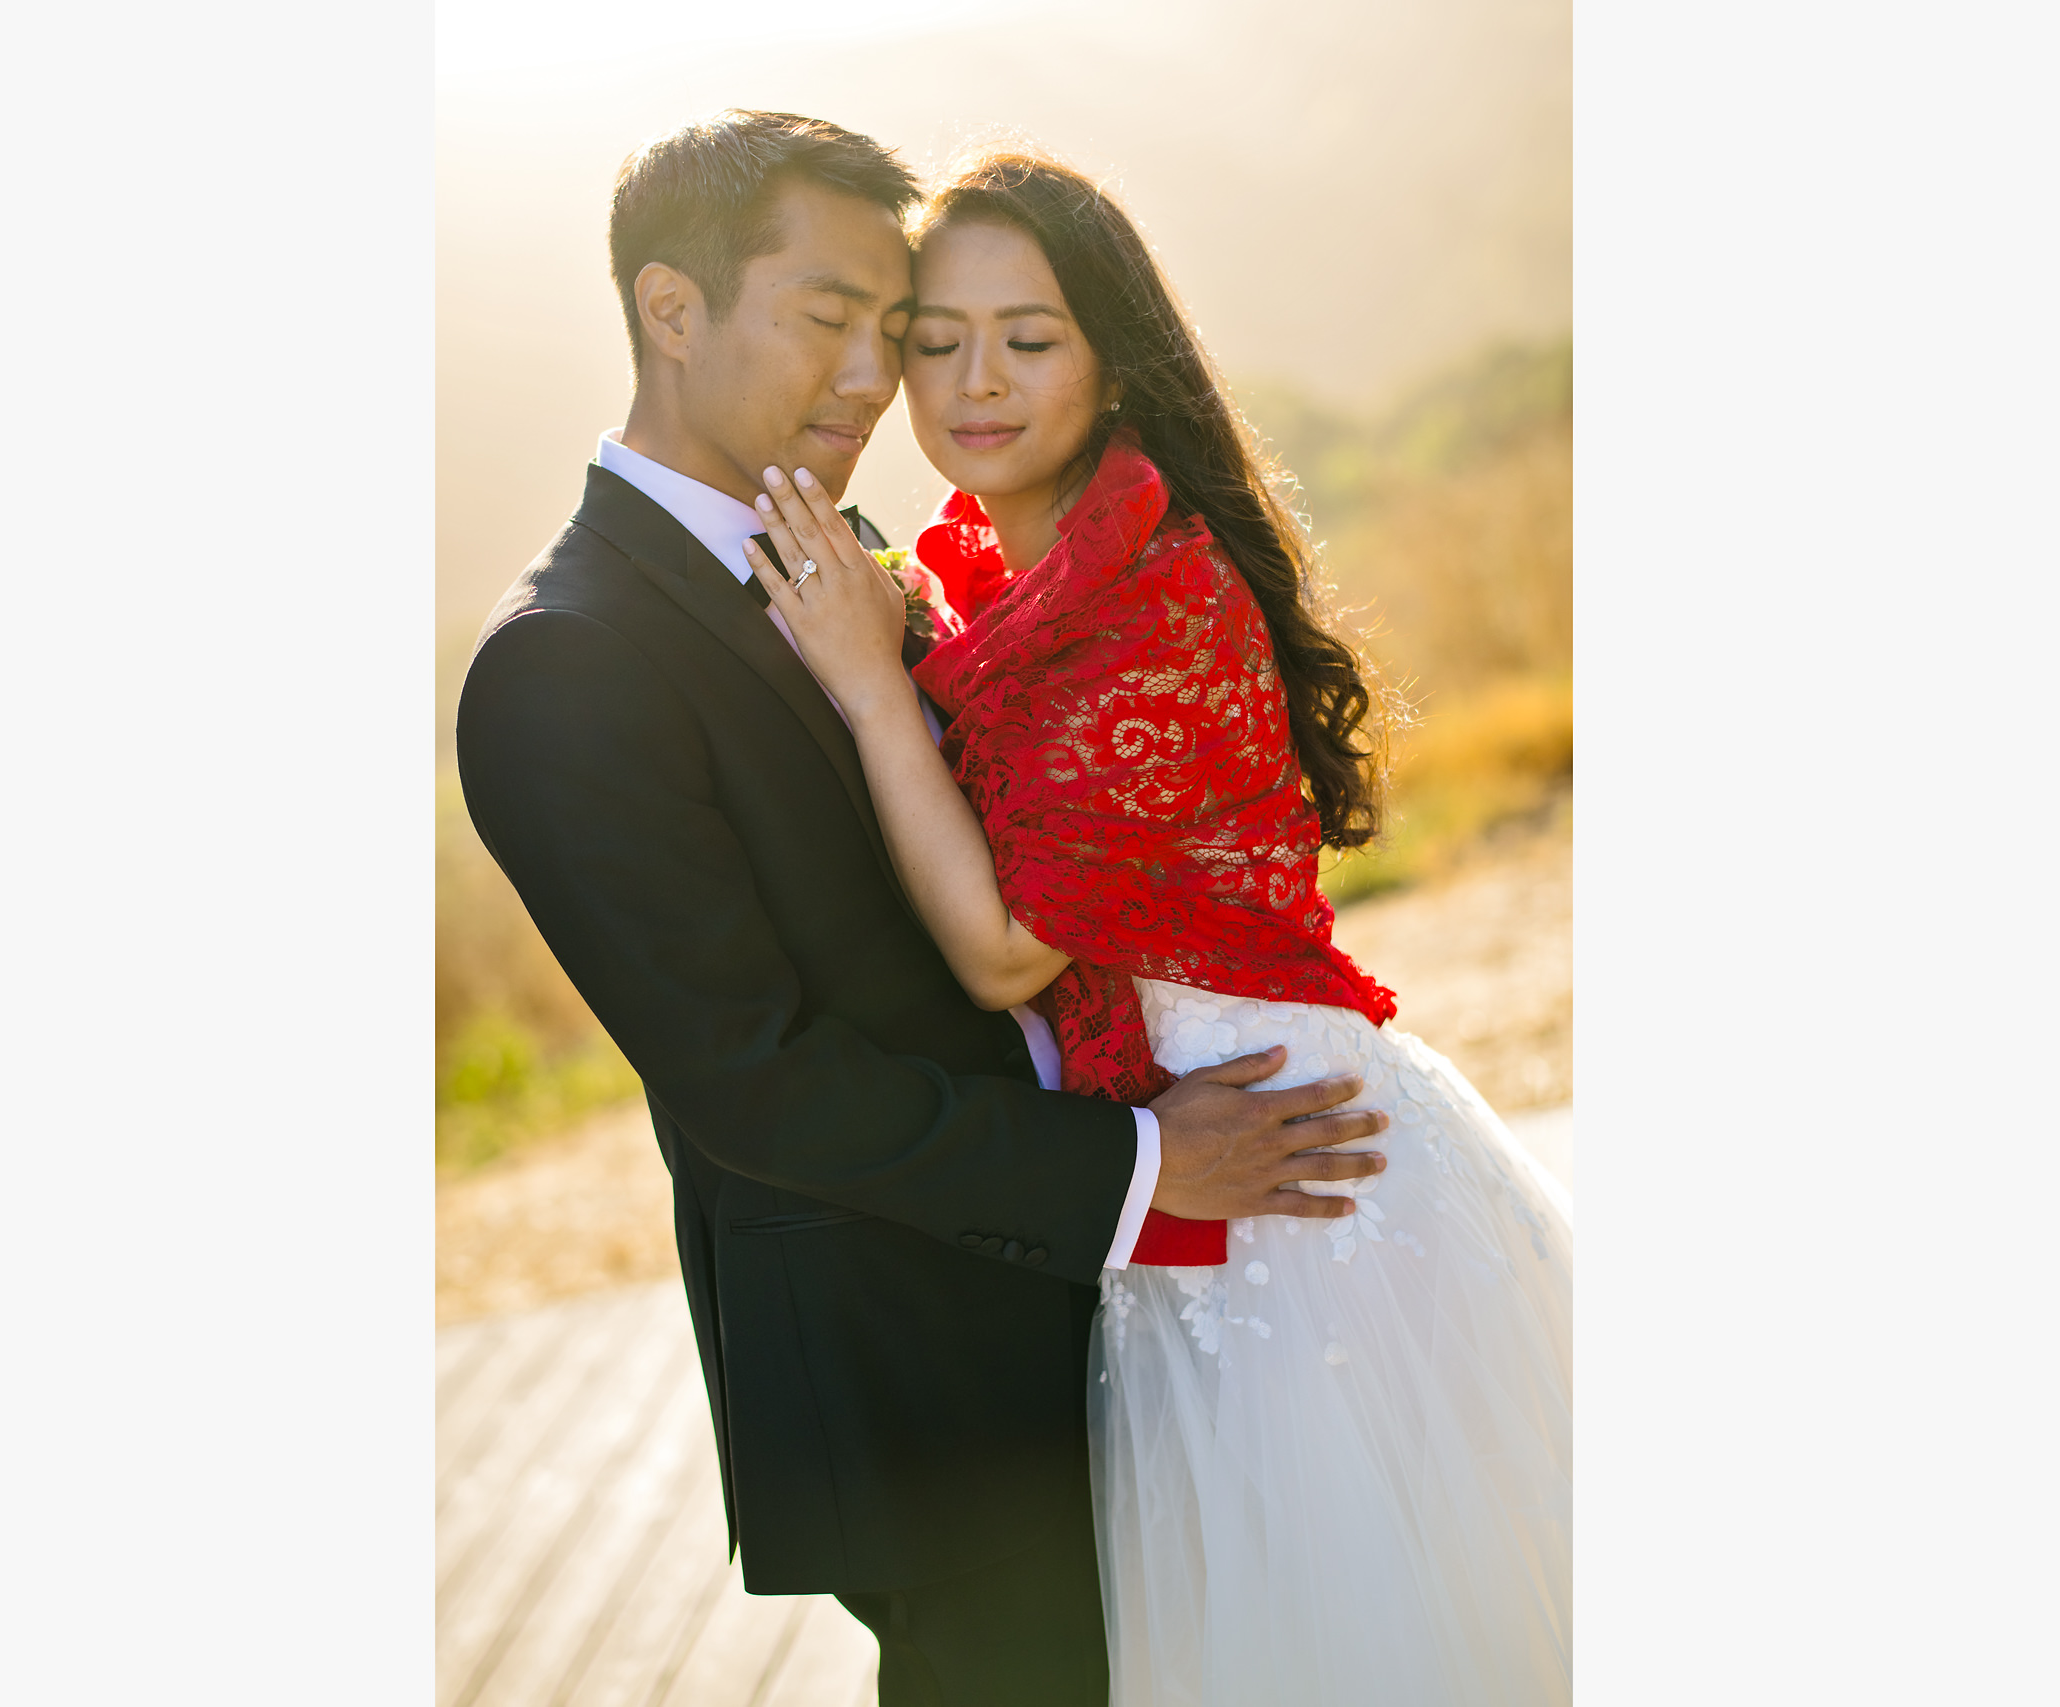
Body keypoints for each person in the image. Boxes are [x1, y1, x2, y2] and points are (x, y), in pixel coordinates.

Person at [452, 111, 1392, 1707]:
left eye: (891, 334)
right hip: (920, 1363)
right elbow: (753, 1082)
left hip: (1093, 1293)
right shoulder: (566, 661)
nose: (875, 381)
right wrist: (1151, 1171)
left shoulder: (842, 539)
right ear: (672, 312)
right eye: (832, 322)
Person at [744, 146, 1575, 1704]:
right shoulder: (995, 569)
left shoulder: (1155, 594)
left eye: (1029, 338)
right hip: (1177, 1174)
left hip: (1284, 1171)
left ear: (1113, 356)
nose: (972, 381)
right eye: (937, 340)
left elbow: (1005, 951)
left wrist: (866, 686)